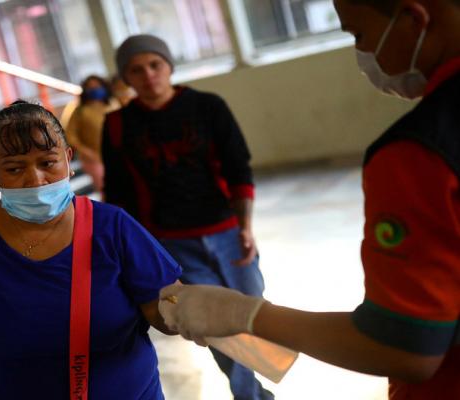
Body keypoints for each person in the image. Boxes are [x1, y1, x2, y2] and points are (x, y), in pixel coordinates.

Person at [159, 1, 460, 399]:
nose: (363, 53)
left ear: (414, 18)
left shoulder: (418, 153)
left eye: (359, 34)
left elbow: (405, 346)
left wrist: (244, 314)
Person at [0, 101, 181, 399]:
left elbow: (164, 307)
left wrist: (192, 312)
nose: (35, 180)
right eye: (14, 168)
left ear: (68, 159)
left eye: (47, 163)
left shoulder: (113, 227)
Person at [101, 34, 271, 399]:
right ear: (125, 78)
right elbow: (118, 195)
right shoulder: (117, 124)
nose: (148, 75)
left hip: (227, 231)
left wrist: (246, 227)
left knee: (253, 313)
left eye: (155, 65)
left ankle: (255, 390)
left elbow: (238, 166)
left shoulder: (208, 106)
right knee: (214, 325)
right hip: (170, 243)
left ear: (169, 66)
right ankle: (250, 396)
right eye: (136, 69)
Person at [65, 75, 118, 193]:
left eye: (97, 86)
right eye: (91, 87)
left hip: (116, 154)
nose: (94, 89)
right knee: (106, 190)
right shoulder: (79, 111)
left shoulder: (113, 105)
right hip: (93, 158)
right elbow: (70, 135)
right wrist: (85, 151)